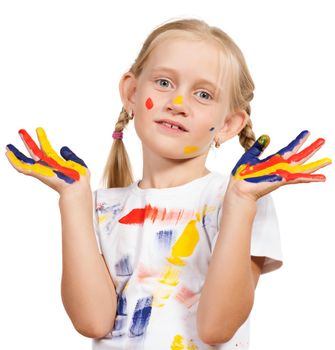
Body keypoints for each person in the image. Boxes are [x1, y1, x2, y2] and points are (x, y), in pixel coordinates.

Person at [5, 18, 332, 350]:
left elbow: (216, 328)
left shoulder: (238, 197)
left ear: (228, 124)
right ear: (132, 94)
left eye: (203, 94)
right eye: (163, 82)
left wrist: (242, 203)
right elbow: (92, 321)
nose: (178, 103)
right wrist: (73, 198)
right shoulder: (101, 207)